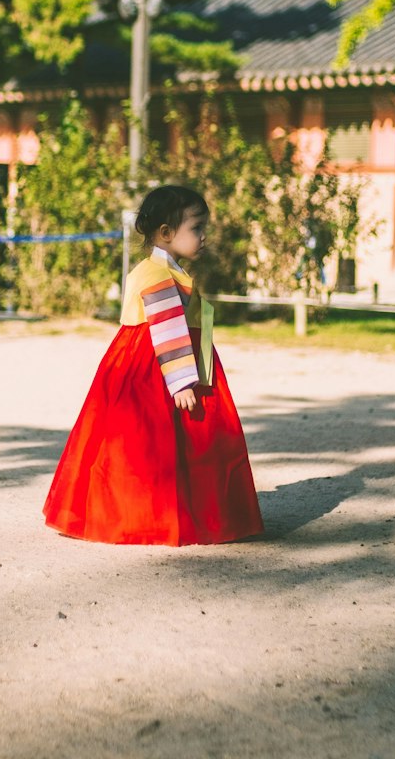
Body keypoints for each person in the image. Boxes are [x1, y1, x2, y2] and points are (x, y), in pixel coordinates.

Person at [43, 184, 264, 546]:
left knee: (175, 441)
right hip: (159, 365)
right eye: (195, 228)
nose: (203, 236)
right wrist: (180, 382)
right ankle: (153, 512)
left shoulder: (162, 270)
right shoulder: (157, 275)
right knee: (151, 439)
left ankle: (179, 507)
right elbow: (165, 327)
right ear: (165, 233)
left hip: (166, 358)